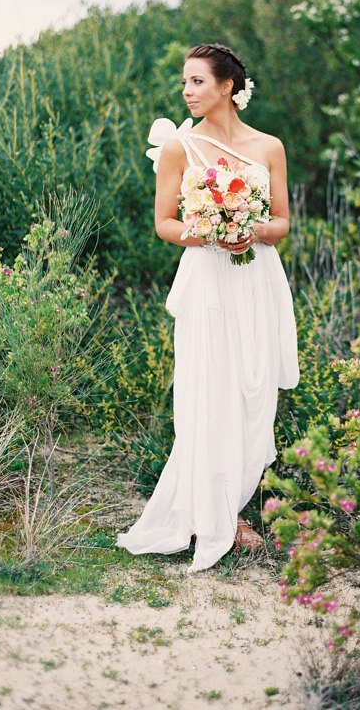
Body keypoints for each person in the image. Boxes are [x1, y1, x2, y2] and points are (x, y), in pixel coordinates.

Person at [116, 43, 299, 573]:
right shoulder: (180, 148)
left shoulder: (270, 147)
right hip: (206, 279)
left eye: (197, 82)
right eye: (185, 83)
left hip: (256, 279)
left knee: (252, 393)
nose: (187, 91)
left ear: (227, 87)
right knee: (208, 392)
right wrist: (208, 232)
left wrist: (249, 229)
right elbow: (164, 223)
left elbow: (282, 222)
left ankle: (231, 502)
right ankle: (212, 516)